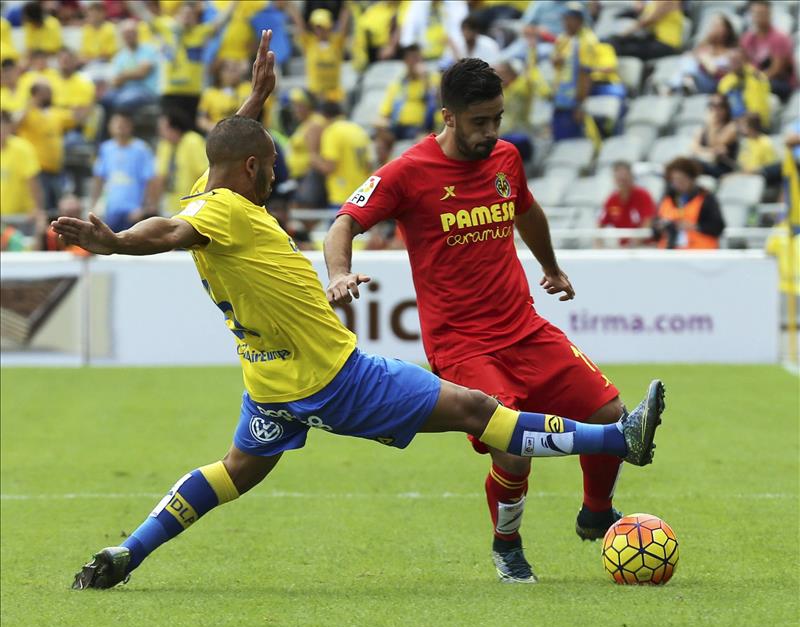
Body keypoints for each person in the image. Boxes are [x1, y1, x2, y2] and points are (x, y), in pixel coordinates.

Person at [60, 32, 666, 590]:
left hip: (271, 384)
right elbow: (170, 230)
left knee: (233, 471)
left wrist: (257, 99)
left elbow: (227, 152)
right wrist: (118, 242)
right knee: (480, 411)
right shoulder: (224, 211)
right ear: (251, 169)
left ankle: (127, 552)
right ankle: (619, 438)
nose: (276, 175)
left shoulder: (208, 189)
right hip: (335, 378)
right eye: (271, 165)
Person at [324, 58, 660, 584]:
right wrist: (339, 273)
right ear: (448, 116)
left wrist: (551, 266)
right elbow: (344, 222)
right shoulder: (407, 172)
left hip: (523, 327)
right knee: (512, 447)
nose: (491, 131)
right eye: (479, 121)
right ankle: (508, 546)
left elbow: (526, 211)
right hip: (461, 345)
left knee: (609, 410)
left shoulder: (505, 157)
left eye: (497, 119)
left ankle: (596, 513)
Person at [91, 111, 157, 232]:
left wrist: (145, 208)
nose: (120, 127)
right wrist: (94, 206)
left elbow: (150, 179)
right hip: (110, 211)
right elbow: (99, 179)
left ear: (131, 126)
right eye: (116, 123)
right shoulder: (106, 149)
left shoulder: (141, 149)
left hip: (134, 211)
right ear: (110, 126)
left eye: (124, 124)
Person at [16, 81, 71, 212]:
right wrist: (29, 105)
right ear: (35, 94)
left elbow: (75, 118)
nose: (48, 95)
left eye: (49, 92)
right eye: (44, 92)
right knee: (44, 207)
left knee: (58, 207)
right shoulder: (29, 113)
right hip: (38, 169)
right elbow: (15, 124)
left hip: (56, 169)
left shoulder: (55, 112)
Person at [551, 3, 601, 143]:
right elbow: (555, 62)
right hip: (560, 97)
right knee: (558, 140)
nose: (566, 23)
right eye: (564, 19)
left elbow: (585, 75)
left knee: (571, 142)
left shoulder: (587, 41)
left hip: (574, 102)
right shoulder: (564, 38)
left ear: (579, 20)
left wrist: (580, 105)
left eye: (570, 19)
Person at [654, 157, 725, 249]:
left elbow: (718, 227)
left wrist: (695, 227)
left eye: (682, 180)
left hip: (700, 251)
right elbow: (655, 227)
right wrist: (660, 227)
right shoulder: (666, 198)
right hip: (670, 251)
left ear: (692, 178)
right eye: (674, 180)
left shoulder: (706, 198)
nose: (678, 184)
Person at [311, 101, 372, 208]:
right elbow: (369, 164)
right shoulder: (357, 129)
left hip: (341, 197)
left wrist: (313, 158)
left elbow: (329, 167)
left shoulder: (332, 131)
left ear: (324, 116)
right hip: (361, 195)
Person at [101, 19, 160, 128]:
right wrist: (128, 75)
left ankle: (124, 130)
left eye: (132, 32)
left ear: (137, 34)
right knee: (105, 99)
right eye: (126, 33)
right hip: (124, 90)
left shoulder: (149, 50)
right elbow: (115, 81)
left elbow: (142, 73)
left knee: (124, 100)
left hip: (146, 90)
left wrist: (124, 75)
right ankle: (108, 134)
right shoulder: (120, 56)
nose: (129, 36)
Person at [377, 44, 440, 145]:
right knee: (380, 131)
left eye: (418, 58)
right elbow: (384, 113)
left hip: (420, 128)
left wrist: (424, 79)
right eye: (412, 58)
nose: (415, 62)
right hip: (398, 126)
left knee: (422, 139)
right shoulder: (398, 84)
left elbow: (436, 102)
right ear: (405, 61)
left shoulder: (432, 79)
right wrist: (382, 121)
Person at [740, 0, 796, 102]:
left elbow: (777, 69)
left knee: (755, 86)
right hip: (757, 79)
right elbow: (744, 62)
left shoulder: (780, 38)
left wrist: (757, 78)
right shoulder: (747, 38)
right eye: (756, 13)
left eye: (762, 13)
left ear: (770, 14)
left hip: (780, 82)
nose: (759, 17)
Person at [153, 110, 208, 213]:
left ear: (175, 128)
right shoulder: (164, 145)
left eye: (163, 128)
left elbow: (203, 173)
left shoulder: (193, 141)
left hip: (192, 204)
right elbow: (161, 176)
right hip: (170, 204)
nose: (160, 132)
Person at [290, 6, 349, 103]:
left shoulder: (336, 43)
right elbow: (299, 25)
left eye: (322, 27)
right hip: (315, 95)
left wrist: (347, 7)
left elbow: (344, 28)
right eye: (316, 27)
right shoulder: (309, 43)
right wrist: (290, 7)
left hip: (334, 95)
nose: (319, 30)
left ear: (329, 27)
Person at [670, 14, 738, 95]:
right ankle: (684, 84)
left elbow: (718, 72)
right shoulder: (705, 47)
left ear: (727, 30)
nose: (715, 29)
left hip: (716, 82)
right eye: (713, 26)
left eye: (718, 26)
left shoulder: (732, 51)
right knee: (688, 59)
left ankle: (675, 87)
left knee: (691, 63)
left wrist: (707, 62)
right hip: (699, 78)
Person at [0, 109, 45, 231]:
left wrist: (37, 208)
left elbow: (33, 181)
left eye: (3, 127)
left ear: (9, 127)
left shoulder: (23, 148)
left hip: (20, 218)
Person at [598, 161, 656, 246]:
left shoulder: (643, 195)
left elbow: (648, 222)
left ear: (631, 176)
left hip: (645, 246)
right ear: (614, 179)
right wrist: (598, 246)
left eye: (625, 176)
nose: (622, 180)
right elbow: (600, 224)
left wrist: (632, 245)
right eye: (619, 177)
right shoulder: (612, 200)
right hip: (624, 248)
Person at [606, 0, 684, 61]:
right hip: (652, 39)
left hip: (666, 44)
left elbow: (648, 21)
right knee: (612, 42)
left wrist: (623, 34)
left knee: (622, 47)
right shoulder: (653, 2)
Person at [718, 48, 772, 129]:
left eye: (737, 60)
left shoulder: (756, 76)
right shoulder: (724, 83)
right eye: (732, 61)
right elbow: (724, 106)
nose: (735, 64)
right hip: (736, 123)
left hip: (757, 123)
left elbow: (760, 105)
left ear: (744, 60)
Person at [691, 94, 739, 178]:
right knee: (684, 165)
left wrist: (712, 125)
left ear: (726, 108)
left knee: (691, 166)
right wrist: (709, 152)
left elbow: (713, 144)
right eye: (712, 105)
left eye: (720, 106)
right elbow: (694, 148)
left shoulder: (731, 127)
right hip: (706, 162)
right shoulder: (704, 127)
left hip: (723, 168)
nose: (716, 109)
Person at [196, 60, 249, 134]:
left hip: (243, 131)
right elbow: (201, 120)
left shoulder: (247, 88)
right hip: (218, 132)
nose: (232, 73)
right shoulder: (210, 93)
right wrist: (215, 128)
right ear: (219, 73)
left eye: (235, 69)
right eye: (228, 70)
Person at [738, 111, 779, 184]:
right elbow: (742, 164)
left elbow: (770, 168)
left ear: (751, 126)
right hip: (744, 178)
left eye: (743, 125)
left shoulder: (765, 142)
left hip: (759, 180)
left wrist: (754, 171)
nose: (740, 127)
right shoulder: (745, 142)